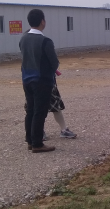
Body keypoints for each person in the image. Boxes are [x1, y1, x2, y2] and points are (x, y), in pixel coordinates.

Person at [20, 9, 59, 153]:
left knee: (30, 110)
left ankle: (30, 141)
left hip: (26, 79)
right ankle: (37, 143)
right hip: (42, 80)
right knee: (40, 112)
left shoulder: (23, 38)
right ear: (42, 21)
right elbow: (54, 62)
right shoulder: (45, 41)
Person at [25, 70, 77, 140]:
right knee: (36, 109)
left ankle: (64, 130)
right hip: (36, 81)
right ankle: (39, 132)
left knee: (56, 107)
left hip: (46, 80)